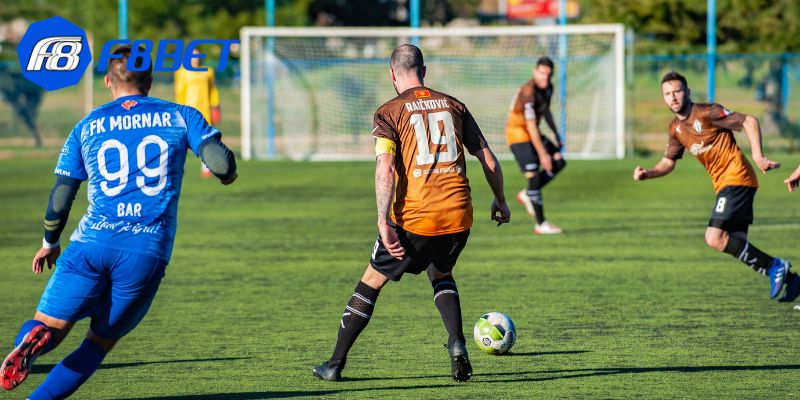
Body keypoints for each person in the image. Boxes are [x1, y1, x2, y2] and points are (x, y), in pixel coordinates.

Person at [1, 45, 238, 399]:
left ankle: (34, 340)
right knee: (97, 343)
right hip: (144, 252)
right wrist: (227, 174)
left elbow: (62, 194)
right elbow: (222, 165)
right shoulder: (180, 115)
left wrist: (50, 241)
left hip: (89, 245)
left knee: (49, 326)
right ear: (150, 81)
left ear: (108, 81)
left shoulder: (87, 125)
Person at [312, 44, 510, 383]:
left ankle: (334, 364)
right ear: (424, 71)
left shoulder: (388, 112)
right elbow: (488, 159)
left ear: (392, 73)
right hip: (459, 215)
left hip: (416, 219)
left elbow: (385, 168)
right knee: (441, 272)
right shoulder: (454, 105)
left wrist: (382, 221)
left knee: (371, 281)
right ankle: (457, 343)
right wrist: (501, 200)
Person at [633, 71, 797, 302]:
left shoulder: (707, 113)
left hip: (737, 177)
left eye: (677, 91)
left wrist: (758, 157)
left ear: (687, 92)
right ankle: (793, 281)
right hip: (725, 185)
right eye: (668, 94)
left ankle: (775, 266)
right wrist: (648, 174)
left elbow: (749, 121)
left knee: (713, 237)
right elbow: (668, 162)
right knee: (735, 242)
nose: (673, 97)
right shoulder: (675, 129)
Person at [505, 57, 566, 234]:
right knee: (534, 175)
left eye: (548, 74)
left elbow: (546, 111)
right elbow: (531, 127)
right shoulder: (528, 92)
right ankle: (541, 224)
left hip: (533, 133)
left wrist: (556, 133)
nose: (545, 77)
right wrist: (543, 155)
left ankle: (528, 193)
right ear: (535, 72)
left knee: (559, 161)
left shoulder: (548, 88)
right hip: (518, 134)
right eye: (541, 73)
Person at [175, 48, 221, 177]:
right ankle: (180, 166)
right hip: (189, 110)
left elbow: (212, 90)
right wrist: (180, 109)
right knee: (183, 140)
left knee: (206, 138)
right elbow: (180, 91)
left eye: (197, 55)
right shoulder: (182, 72)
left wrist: (215, 105)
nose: (195, 58)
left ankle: (206, 167)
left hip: (205, 109)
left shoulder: (208, 71)